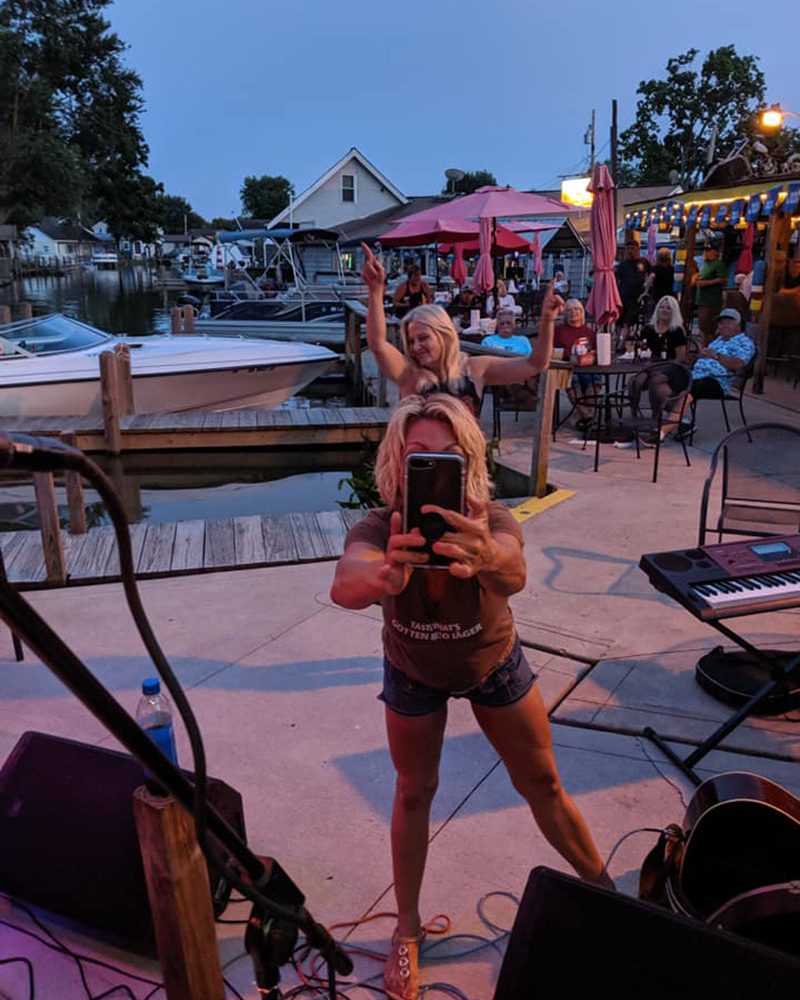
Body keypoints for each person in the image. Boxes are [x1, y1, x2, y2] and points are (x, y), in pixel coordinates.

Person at [330, 393, 613, 1000]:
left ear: (472, 461)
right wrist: (383, 577)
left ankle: (609, 897)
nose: (435, 465)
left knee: (543, 784)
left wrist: (485, 553)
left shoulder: (492, 519)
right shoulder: (379, 528)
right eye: (420, 456)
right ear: (395, 463)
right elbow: (345, 583)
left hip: (493, 663)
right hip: (412, 671)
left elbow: (513, 571)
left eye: (450, 456)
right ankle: (406, 933)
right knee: (413, 792)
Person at [361, 242, 560, 418]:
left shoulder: (475, 369)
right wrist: (375, 291)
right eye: (412, 341)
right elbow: (378, 344)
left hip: (465, 458)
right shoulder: (409, 374)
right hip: (419, 458)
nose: (416, 347)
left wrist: (548, 320)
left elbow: (536, 363)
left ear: (443, 335)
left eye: (423, 338)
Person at [665, 307, 755, 441]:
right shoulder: (717, 341)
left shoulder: (744, 343)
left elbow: (738, 365)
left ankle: (661, 432)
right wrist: (698, 357)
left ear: (738, 325)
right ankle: (683, 423)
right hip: (696, 375)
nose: (723, 326)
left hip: (716, 381)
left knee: (685, 392)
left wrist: (716, 356)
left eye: (728, 322)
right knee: (663, 382)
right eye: (721, 323)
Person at [553, 298, 601, 429]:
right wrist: (568, 357)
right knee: (573, 381)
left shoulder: (589, 332)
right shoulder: (559, 331)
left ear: (582, 312)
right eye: (569, 310)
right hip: (568, 366)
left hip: (588, 366)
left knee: (594, 381)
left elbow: (598, 352)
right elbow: (552, 352)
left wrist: (592, 357)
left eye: (577, 309)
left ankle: (579, 415)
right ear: (565, 314)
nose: (573, 312)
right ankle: (588, 417)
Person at [692, 241, 728, 346]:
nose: (705, 253)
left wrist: (706, 283)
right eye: (705, 250)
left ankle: (710, 348)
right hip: (702, 300)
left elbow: (723, 279)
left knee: (709, 328)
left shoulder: (718, 264)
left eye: (708, 250)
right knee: (702, 327)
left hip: (711, 301)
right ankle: (703, 347)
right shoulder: (706, 264)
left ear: (715, 252)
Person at [639, 295, 688, 362]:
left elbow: (681, 358)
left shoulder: (677, 331)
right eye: (662, 307)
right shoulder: (647, 329)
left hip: (669, 367)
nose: (664, 310)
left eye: (668, 308)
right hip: (647, 366)